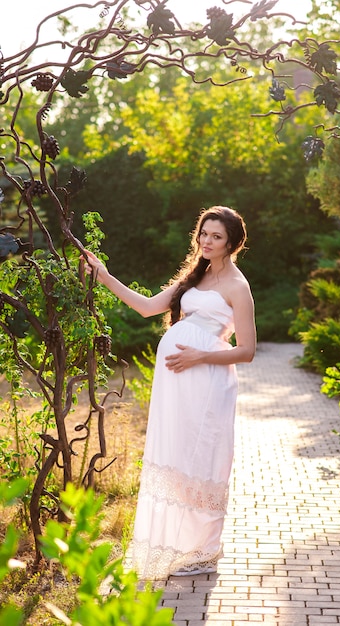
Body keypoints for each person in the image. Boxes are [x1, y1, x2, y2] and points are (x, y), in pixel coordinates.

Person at [83, 205, 256, 580]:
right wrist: (104, 276)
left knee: (203, 458)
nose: (206, 241)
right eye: (203, 234)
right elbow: (146, 308)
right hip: (176, 384)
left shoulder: (237, 287)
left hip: (208, 382)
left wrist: (199, 356)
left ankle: (205, 550)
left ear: (232, 244)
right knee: (177, 455)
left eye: (216, 237)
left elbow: (247, 350)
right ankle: (179, 544)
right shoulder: (196, 278)